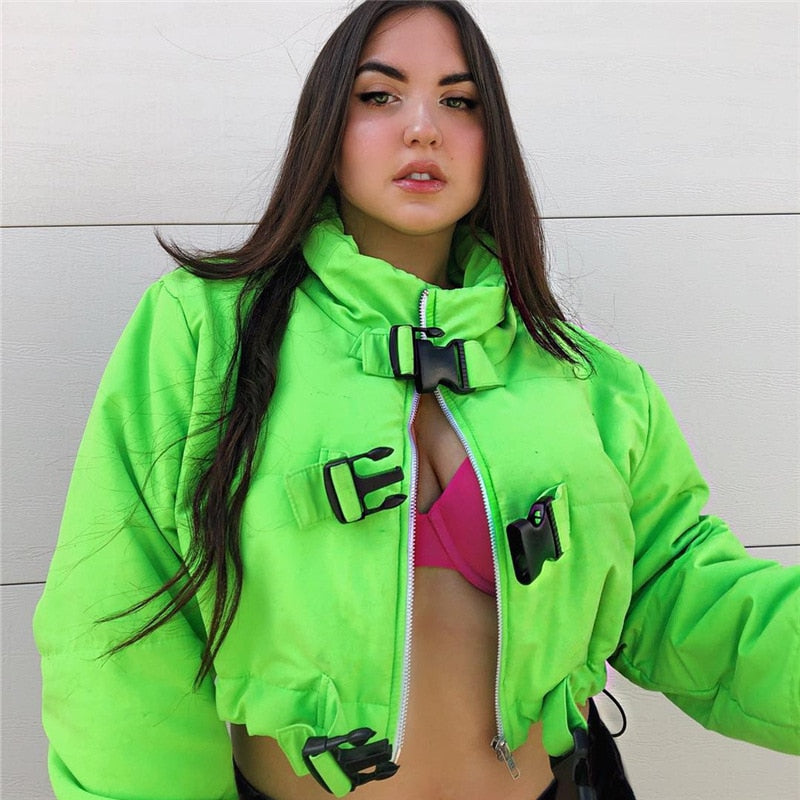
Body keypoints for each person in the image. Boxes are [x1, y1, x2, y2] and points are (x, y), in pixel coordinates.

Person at [34, 2, 799, 799]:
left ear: (491, 141)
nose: (424, 129)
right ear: (327, 130)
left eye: (459, 101)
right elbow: (117, 627)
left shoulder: (588, 380)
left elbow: (690, 599)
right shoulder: (205, 329)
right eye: (380, 95)